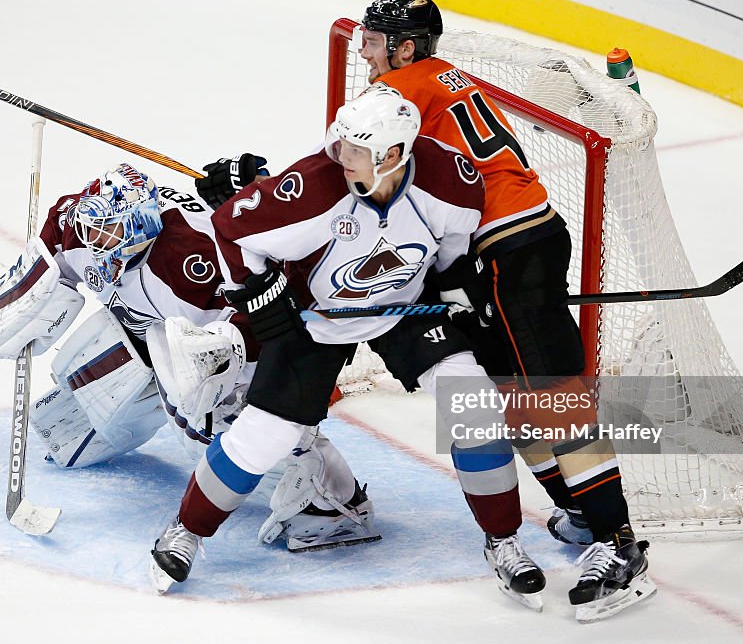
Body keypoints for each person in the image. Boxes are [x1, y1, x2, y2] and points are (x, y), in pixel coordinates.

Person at [155, 90, 546, 611]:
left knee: (472, 403)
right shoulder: (311, 189)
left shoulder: (451, 183)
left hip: (404, 310)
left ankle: (504, 542)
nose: (339, 153)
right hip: (314, 318)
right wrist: (260, 294)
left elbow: (452, 254)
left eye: (355, 149)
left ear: (391, 156)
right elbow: (229, 230)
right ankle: (186, 531)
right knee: (264, 435)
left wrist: (456, 289)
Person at [355, 0, 655, 621]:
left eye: (375, 39)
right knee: (512, 396)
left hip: (509, 246)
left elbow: (361, 184)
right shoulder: (446, 79)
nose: (363, 49)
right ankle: (579, 509)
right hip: (509, 244)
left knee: (553, 394)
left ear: (404, 47)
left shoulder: (394, 95)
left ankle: (620, 543)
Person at [0, 163, 365, 551]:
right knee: (69, 429)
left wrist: (229, 348)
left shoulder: (192, 262)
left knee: (210, 421)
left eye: (108, 232)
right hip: (150, 334)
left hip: (224, 352)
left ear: (140, 227)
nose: (95, 242)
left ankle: (330, 501)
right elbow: (58, 233)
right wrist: (33, 288)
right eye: (92, 230)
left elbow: (272, 314)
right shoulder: (82, 226)